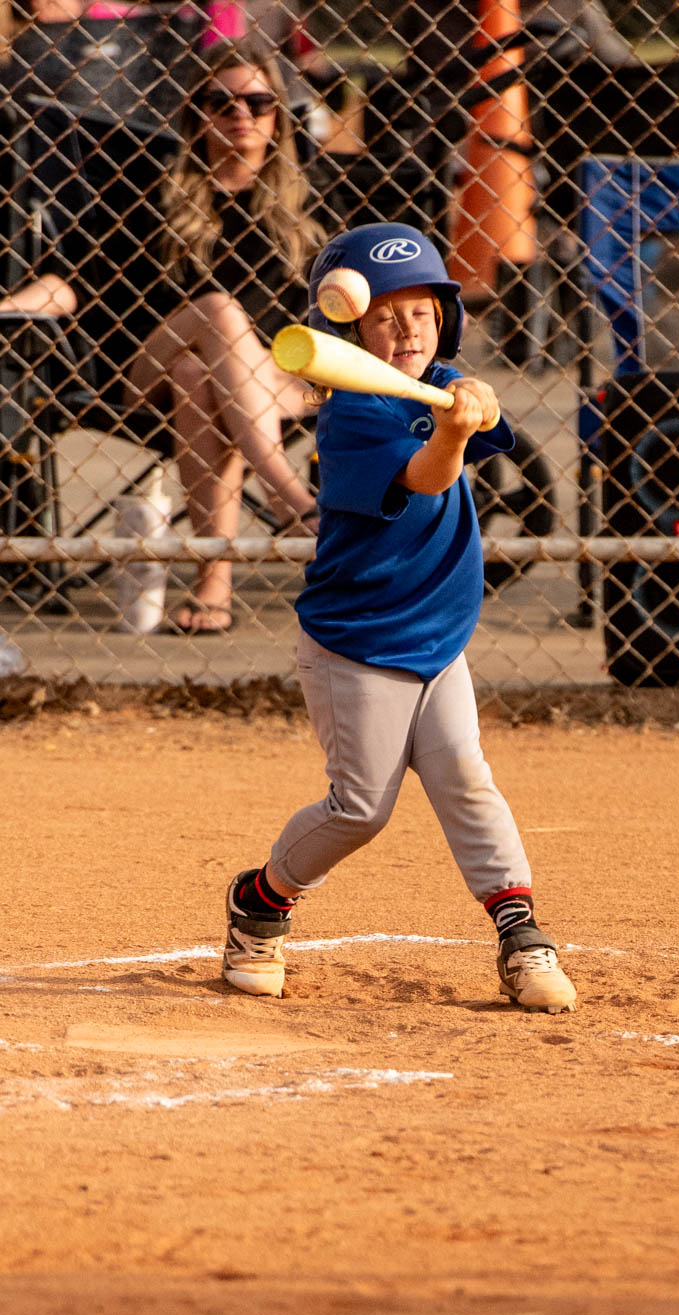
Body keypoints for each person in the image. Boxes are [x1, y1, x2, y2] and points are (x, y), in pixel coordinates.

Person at [222, 221, 578, 1014]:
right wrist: (454, 426)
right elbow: (426, 476)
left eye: (421, 311)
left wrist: (475, 401)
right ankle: (259, 903)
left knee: (466, 779)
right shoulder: (349, 414)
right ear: (350, 332)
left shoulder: (438, 380)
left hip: (437, 638)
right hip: (357, 644)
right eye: (383, 315)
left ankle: (521, 935)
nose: (406, 327)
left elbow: (481, 424)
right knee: (360, 810)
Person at [124, 37, 324, 633]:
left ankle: (214, 584)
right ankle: (290, 498)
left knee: (201, 378)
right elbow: (97, 289)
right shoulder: (159, 193)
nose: (241, 115)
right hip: (152, 368)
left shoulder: (310, 202)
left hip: (276, 381)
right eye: (222, 102)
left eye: (258, 103)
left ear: (277, 115)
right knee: (217, 310)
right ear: (199, 114)